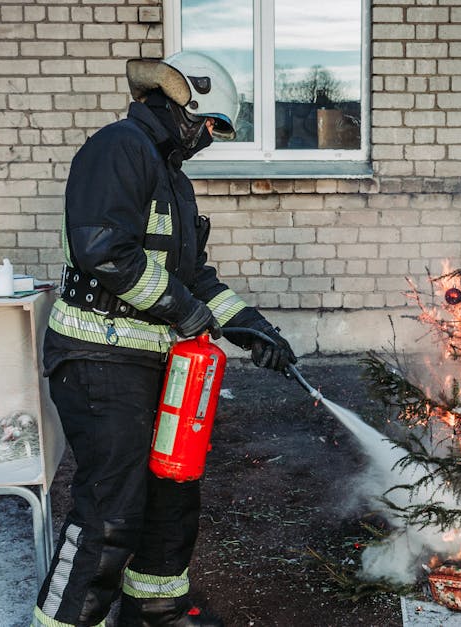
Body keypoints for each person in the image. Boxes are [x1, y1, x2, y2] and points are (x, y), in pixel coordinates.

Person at [32, 51, 296, 627]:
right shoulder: (118, 148)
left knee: (172, 494)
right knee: (111, 515)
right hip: (98, 357)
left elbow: (192, 274)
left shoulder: (171, 177)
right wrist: (187, 311)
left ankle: (156, 609)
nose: (209, 138)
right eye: (210, 124)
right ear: (182, 103)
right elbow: (103, 249)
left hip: (154, 361)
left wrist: (250, 325)